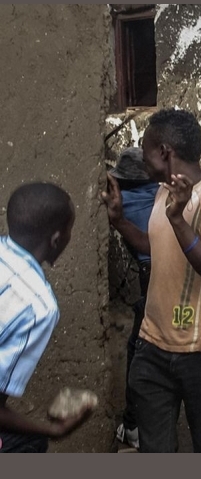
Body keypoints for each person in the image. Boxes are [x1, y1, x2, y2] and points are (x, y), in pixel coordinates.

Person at [101, 108, 201, 453]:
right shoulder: (163, 191)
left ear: (164, 151)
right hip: (152, 349)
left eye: (145, 148)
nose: (142, 157)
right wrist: (118, 221)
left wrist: (179, 219)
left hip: (199, 355)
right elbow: (156, 247)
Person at [1, 182, 93, 453]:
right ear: (55, 239)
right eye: (69, 230)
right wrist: (54, 430)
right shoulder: (38, 306)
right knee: (31, 442)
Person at [107, 146, 159, 450]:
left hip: (151, 273)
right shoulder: (160, 192)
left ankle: (133, 426)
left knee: (139, 351)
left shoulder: (122, 199)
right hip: (170, 271)